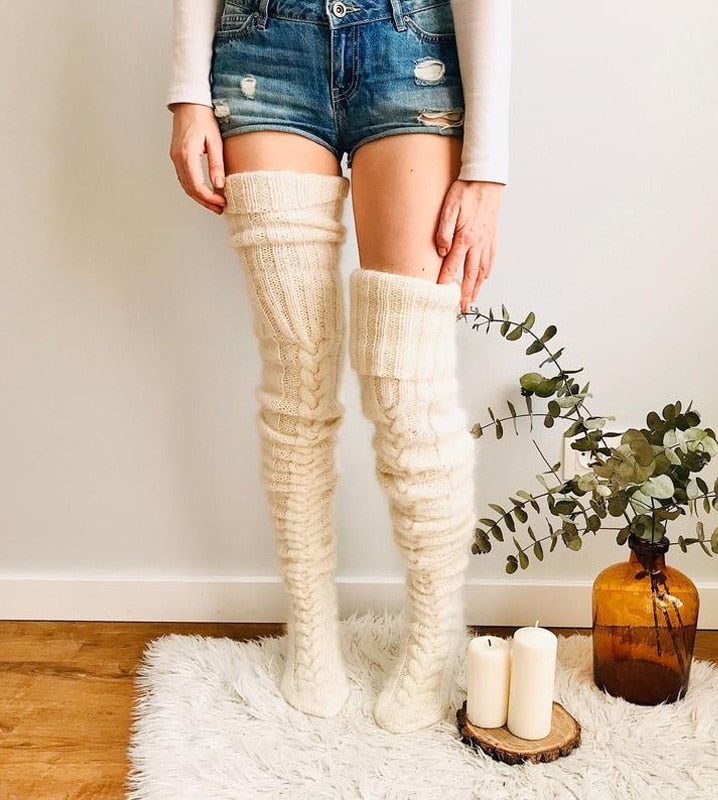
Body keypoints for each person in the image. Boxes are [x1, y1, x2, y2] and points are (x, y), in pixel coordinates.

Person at [167, 0, 512, 734]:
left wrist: (488, 169)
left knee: (409, 389)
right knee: (295, 378)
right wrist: (187, 91)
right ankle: (311, 627)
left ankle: (433, 636)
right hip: (263, 49)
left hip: (409, 45)